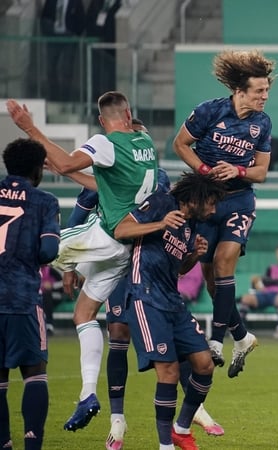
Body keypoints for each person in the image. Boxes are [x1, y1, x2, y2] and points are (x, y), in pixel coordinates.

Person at [6, 92, 160, 432]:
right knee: (84, 313)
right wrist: (73, 171)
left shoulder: (106, 142)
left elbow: (62, 164)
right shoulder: (145, 143)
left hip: (102, 236)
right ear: (129, 113)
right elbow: (107, 187)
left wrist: (30, 127)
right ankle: (88, 394)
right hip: (124, 248)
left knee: (20, 244)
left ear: (103, 122)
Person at [173, 50, 274, 378]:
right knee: (213, 284)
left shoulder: (262, 123)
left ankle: (216, 341)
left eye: (267, 90)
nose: (264, 96)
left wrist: (238, 171)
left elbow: (261, 172)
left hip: (239, 201)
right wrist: (204, 169)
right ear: (240, 91)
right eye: (259, 91)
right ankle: (242, 336)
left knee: (223, 262)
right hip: (206, 203)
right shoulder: (209, 111)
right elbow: (180, 144)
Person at [114, 172, 226, 450]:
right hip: (145, 297)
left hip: (172, 302)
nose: (213, 210)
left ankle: (181, 427)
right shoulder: (161, 203)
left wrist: (195, 256)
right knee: (169, 371)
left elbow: (179, 269)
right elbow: (121, 230)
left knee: (204, 365)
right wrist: (159, 223)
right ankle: (166, 446)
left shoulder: (190, 227)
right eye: (211, 203)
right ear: (196, 199)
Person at [0, 138, 61, 450]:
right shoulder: (44, 201)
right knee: (34, 373)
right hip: (22, 298)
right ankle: (32, 445)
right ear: (38, 169)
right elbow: (49, 250)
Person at [238, 244, 278, 339]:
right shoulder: (271, 268)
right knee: (246, 298)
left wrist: (273, 281)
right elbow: (265, 281)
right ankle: (240, 330)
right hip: (267, 294)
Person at [40, 0, 85, 102]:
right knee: (50, 69)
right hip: (53, 39)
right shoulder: (51, 2)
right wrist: (48, 33)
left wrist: (74, 36)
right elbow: (44, 18)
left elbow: (81, 21)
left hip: (69, 40)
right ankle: (54, 97)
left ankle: (65, 98)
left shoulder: (76, 2)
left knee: (66, 69)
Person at [85, 0, 122, 101]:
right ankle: (94, 99)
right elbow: (88, 20)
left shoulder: (119, 5)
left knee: (109, 75)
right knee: (95, 74)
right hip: (95, 47)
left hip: (110, 48)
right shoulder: (97, 3)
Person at [40, 265, 63, 336]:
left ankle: (49, 325)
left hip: (55, 295)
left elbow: (63, 282)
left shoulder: (50, 270)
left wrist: (52, 285)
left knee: (46, 296)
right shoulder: (32, 270)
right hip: (39, 296)